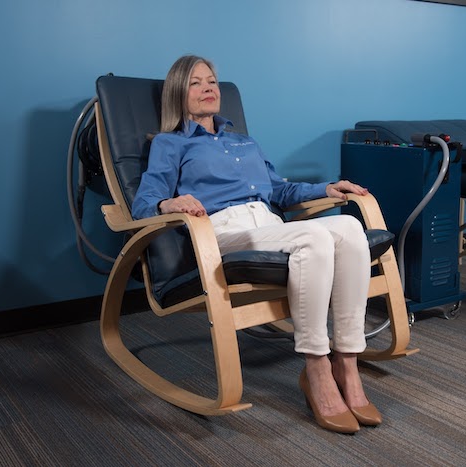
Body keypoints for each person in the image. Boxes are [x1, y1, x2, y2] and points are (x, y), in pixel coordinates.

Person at [132, 55, 381, 434]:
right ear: (178, 94)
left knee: (349, 225)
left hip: (267, 224)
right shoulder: (170, 143)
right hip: (221, 233)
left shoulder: (244, 141)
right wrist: (170, 202)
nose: (208, 88)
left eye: (212, 81)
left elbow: (279, 189)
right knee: (314, 237)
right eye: (196, 82)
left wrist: (328, 188)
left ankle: (346, 362)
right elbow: (143, 203)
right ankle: (316, 368)